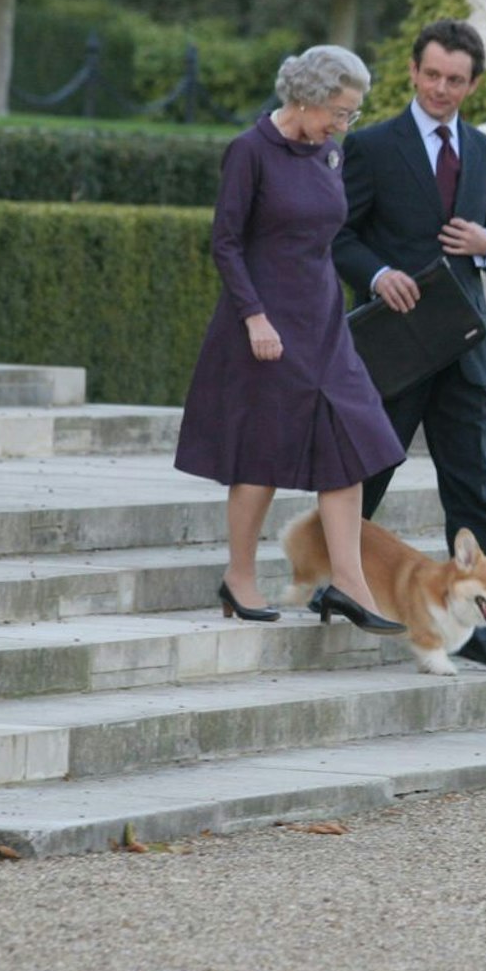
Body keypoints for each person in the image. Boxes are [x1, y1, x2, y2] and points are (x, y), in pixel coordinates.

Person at [174, 46, 405, 636]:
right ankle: (239, 576)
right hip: (266, 325)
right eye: (340, 112)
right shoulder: (250, 151)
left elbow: (325, 240)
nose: (344, 125)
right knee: (263, 450)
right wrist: (254, 317)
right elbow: (226, 243)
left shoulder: (330, 153)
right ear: (306, 98)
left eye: (351, 114)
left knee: (351, 440)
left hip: (322, 322)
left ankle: (349, 582)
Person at [335, 18, 486, 672]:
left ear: (473, 85)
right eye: (433, 75)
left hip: (463, 347)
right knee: (368, 470)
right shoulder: (370, 147)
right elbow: (337, 235)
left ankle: (485, 629)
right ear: (414, 72)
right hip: (393, 344)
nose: (441, 88)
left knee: (472, 485)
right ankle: (338, 583)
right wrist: (377, 275)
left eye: (455, 80)